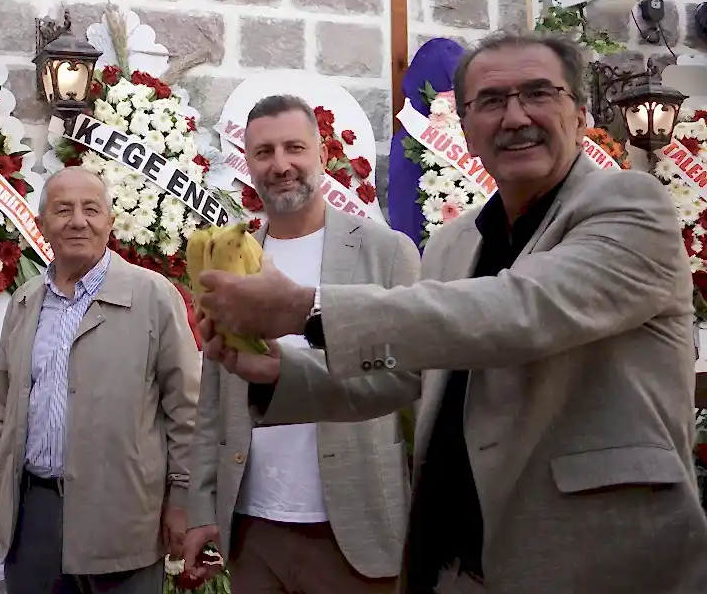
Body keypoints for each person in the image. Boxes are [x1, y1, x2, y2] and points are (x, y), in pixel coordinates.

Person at [197, 32, 707, 594]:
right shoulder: (452, 244)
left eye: (539, 93)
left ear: (581, 114)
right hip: (454, 562)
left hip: (592, 557)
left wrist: (307, 309)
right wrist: (278, 374)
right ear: (465, 128)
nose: (515, 117)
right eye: (490, 101)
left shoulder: (631, 205)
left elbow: (519, 310)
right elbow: (404, 376)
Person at [182, 95, 419, 593]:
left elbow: (417, 389)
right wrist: (202, 507)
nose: (280, 164)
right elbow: (213, 396)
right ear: (247, 164)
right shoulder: (229, 259)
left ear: (322, 154)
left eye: (294, 148)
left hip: (355, 525)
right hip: (252, 528)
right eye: (264, 152)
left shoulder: (387, 252)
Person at [0, 166, 201, 594]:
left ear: (110, 221)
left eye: (91, 209)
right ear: (41, 223)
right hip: (34, 516)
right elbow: (3, 407)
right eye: (62, 209)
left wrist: (182, 500)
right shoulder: (25, 302)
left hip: (124, 517)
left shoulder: (153, 297)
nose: (77, 221)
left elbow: (187, 409)